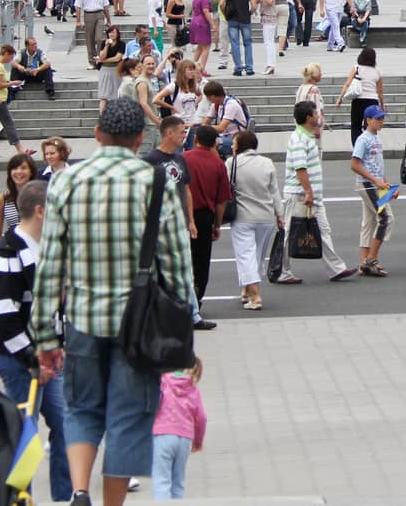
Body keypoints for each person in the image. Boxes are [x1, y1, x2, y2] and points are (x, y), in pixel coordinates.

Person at [31, 98, 196, 506]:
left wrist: (44, 335)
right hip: (139, 326)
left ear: (97, 133)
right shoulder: (154, 181)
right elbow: (177, 263)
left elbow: (51, 261)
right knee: (128, 415)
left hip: (83, 317)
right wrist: (183, 326)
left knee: (82, 408)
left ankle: (80, 490)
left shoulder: (67, 181)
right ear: (141, 138)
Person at [0, 179, 72, 504]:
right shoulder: (8, 254)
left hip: (49, 357)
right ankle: (22, 497)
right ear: (40, 211)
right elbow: (4, 319)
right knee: (25, 432)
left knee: (66, 423)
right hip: (20, 360)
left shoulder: (50, 249)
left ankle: (64, 495)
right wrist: (34, 359)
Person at [279, 100, 358, 284]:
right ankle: (281, 270)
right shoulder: (299, 139)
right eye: (316, 113)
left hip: (310, 195)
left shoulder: (306, 136)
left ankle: (336, 269)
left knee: (322, 230)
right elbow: (300, 168)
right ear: (308, 117)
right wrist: (308, 192)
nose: (318, 116)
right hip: (300, 195)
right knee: (290, 232)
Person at [229, 130, 282, 310]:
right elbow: (274, 191)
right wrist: (280, 215)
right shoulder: (267, 163)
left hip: (242, 216)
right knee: (257, 256)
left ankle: (256, 296)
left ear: (240, 145)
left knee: (245, 256)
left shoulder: (232, 163)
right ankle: (246, 290)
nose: (231, 146)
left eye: (234, 143)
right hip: (266, 216)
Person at [182, 126, 231, 316]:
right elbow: (221, 200)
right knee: (201, 261)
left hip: (184, 215)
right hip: (205, 216)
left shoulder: (184, 158)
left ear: (195, 141)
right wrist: (217, 225)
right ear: (215, 143)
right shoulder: (218, 163)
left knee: (183, 259)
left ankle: (183, 300)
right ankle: (198, 298)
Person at [350, 105, 396, 276]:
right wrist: (375, 180)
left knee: (368, 222)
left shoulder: (376, 138)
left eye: (382, 118)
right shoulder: (364, 139)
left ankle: (364, 261)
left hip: (376, 185)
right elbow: (354, 164)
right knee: (386, 218)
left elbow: (378, 166)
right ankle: (371, 259)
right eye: (378, 118)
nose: (381, 121)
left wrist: (387, 185)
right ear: (368, 120)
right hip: (368, 185)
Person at [151, 360, 207, 501]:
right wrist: (198, 440)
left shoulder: (162, 382)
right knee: (178, 481)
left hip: (162, 435)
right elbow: (201, 418)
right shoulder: (193, 389)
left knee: (161, 479)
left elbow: (154, 404)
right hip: (185, 438)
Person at [334, 47, 384, 143]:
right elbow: (380, 91)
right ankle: (370, 147)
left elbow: (347, 84)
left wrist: (340, 98)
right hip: (372, 101)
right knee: (370, 127)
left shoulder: (356, 68)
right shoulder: (378, 71)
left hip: (358, 100)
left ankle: (357, 148)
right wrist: (382, 105)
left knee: (355, 126)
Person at [0, 152, 38, 237]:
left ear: (31, 172)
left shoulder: (40, 197)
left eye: (23, 168)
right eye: (14, 168)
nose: (18, 172)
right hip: (12, 247)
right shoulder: (3, 199)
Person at [223, 0, 256, 76]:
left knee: (235, 43)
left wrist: (225, 14)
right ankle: (249, 68)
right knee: (248, 43)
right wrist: (250, 12)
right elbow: (254, 5)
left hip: (232, 19)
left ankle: (238, 68)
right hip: (245, 19)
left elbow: (221, 3)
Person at [76, 0, 111, 64]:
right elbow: (78, 7)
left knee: (99, 38)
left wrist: (108, 20)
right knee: (89, 38)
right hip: (88, 15)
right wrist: (78, 20)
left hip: (100, 14)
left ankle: (99, 57)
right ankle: (91, 60)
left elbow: (106, 6)